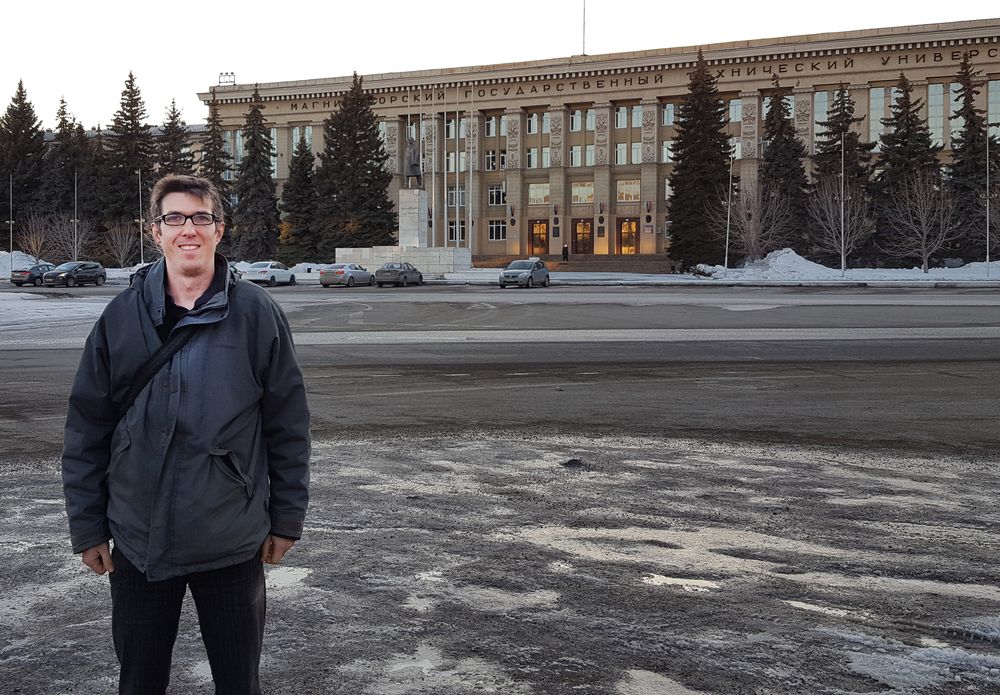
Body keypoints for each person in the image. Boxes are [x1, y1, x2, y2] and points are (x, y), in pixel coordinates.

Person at [61, 174, 310, 695]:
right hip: (138, 541)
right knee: (140, 682)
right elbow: (87, 427)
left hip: (230, 539)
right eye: (174, 218)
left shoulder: (256, 314)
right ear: (156, 231)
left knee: (238, 682)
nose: (188, 229)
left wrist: (286, 519)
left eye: (200, 217)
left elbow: (287, 426)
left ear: (220, 229)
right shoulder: (121, 317)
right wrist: (88, 526)